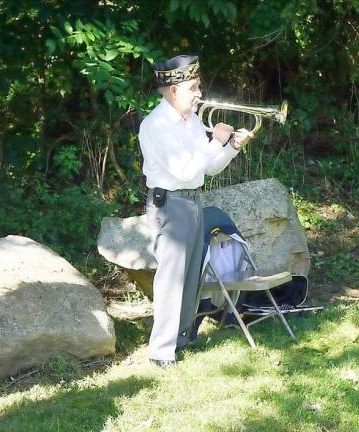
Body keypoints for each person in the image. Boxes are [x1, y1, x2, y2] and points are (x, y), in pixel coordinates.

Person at [138, 54, 253, 366]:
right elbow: (184, 171)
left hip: (192, 201)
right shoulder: (156, 125)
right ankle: (161, 352)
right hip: (171, 204)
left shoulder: (192, 122)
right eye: (194, 88)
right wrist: (215, 141)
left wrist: (229, 148)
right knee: (171, 277)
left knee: (191, 277)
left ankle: (180, 339)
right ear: (174, 91)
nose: (200, 93)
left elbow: (208, 169)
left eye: (198, 87)